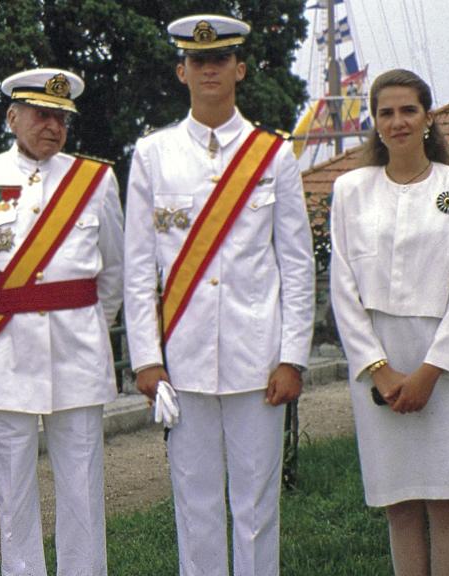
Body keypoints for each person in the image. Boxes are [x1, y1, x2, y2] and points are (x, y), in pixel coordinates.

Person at [123, 15, 314, 576]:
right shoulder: (153, 154)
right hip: (182, 361)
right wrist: (147, 359)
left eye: (221, 59)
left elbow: (296, 264)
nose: (210, 68)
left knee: (256, 507)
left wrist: (293, 356)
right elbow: (139, 268)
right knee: (195, 503)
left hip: (259, 361)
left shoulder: (273, 155)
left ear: (240, 69)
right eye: (198, 61)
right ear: (182, 71)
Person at [0, 68, 124, 576]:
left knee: (84, 487)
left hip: (78, 354)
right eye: (42, 114)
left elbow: (113, 275)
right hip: (5, 355)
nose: (53, 125)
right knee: (12, 490)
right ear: (12, 116)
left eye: (62, 118)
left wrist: (85, 325)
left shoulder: (96, 180)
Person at [330, 68, 449, 576]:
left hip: (446, 363)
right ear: (374, 121)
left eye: (409, 110)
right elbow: (342, 286)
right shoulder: (350, 190)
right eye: (386, 112)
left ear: (428, 117)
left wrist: (432, 369)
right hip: (376, 360)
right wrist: (378, 369)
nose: (398, 121)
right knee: (400, 504)